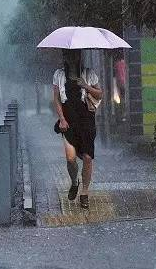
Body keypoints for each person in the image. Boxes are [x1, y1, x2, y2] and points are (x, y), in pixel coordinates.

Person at [52, 50, 102, 209]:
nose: (72, 58)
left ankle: (85, 193)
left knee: (87, 157)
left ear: (80, 56)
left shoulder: (89, 73)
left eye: (75, 55)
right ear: (64, 57)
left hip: (86, 119)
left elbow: (99, 94)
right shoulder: (59, 75)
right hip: (68, 119)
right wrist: (62, 119)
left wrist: (86, 86)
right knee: (70, 159)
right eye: (68, 55)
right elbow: (57, 99)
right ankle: (74, 182)